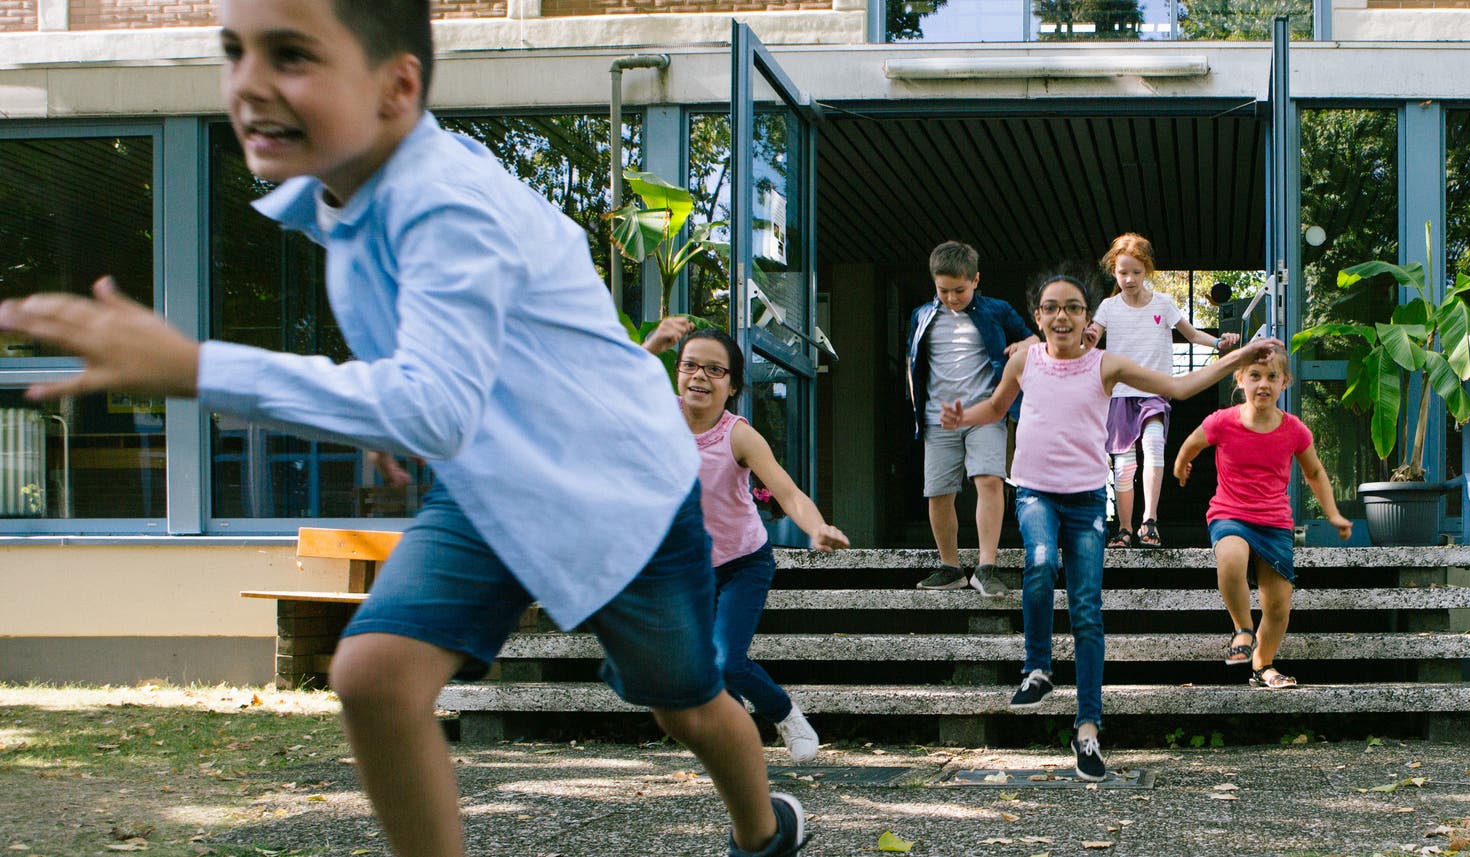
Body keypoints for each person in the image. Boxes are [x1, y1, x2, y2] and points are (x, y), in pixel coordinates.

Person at [0, 2, 807, 855]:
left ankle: (763, 829)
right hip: (491, 482)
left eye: (292, 56)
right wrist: (394, 413)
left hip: (622, 495)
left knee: (682, 699)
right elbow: (437, 358)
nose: (248, 83)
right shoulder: (340, 195)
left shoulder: (446, 202)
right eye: (234, 52)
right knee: (374, 675)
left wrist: (199, 367)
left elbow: (436, 397)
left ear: (397, 85)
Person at [941, 273, 1279, 782]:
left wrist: (1239, 355)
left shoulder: (1106, 365)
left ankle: (1089, 729)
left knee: (1086, 609)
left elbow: (1180, 386)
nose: (1062, 316)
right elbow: (996, 408)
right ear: (1038, 317)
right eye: (1051, 308)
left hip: (1084, 502)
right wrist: (963, 415)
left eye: (1072, 308)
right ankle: (1038, 669)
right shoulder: (1024, 361)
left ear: (1087, 319)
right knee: (1037, 563)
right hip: (1034, 491)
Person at [645, 326, 849, 762]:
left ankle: (786, 714)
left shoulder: (737, 435)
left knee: (725, 662)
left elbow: (787, 492)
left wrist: (816, 527)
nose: (700, 376)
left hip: (742, 563)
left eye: (715, 370)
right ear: (677, 372)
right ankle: (735, 740)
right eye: (690, 365)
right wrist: (652, 345)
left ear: (733, 384)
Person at [1173, 351, 1353, 690]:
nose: (1263, 384)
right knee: (1230, 559)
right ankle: (1242, 629)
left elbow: (1314, 472)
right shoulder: (1223, 421)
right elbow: (1192, 443)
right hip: (1230, 513)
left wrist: (1332, 513)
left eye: (1272, 377)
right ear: (1240, 380)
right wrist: (1181, 465)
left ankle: (1263, 665)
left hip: (1274, 522)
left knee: (1278, 607)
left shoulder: (1294, 430)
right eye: (1255, 375)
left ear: (1285, 382)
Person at [1082, 233, 1241, 548]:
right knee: (1125, 465)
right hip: (1119, 395)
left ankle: (1149, 522)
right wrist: (1079, 336)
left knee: (1154, 447)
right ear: (1114, 271)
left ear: (1147, 271)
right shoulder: (1108, 307)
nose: (1129, 279)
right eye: (1122, 272)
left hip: (1155, 391)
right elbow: (1090, 338)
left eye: (1136, 273)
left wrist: (1221, 344)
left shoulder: (1164, 304)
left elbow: (1193, 335)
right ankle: (1124, 529)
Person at [905, 241, 1038, 595]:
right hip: (939, 418)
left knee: (989, 481)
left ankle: (987, 566)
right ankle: (950, 568)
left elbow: (1034, 339)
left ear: (976, 280)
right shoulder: (922, 316)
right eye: (943, 290)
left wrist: (1021, 346)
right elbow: (914, 366)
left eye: (959, 290)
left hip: (985, 413)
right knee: (938, 492)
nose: (951, 297)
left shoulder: (996, 310)